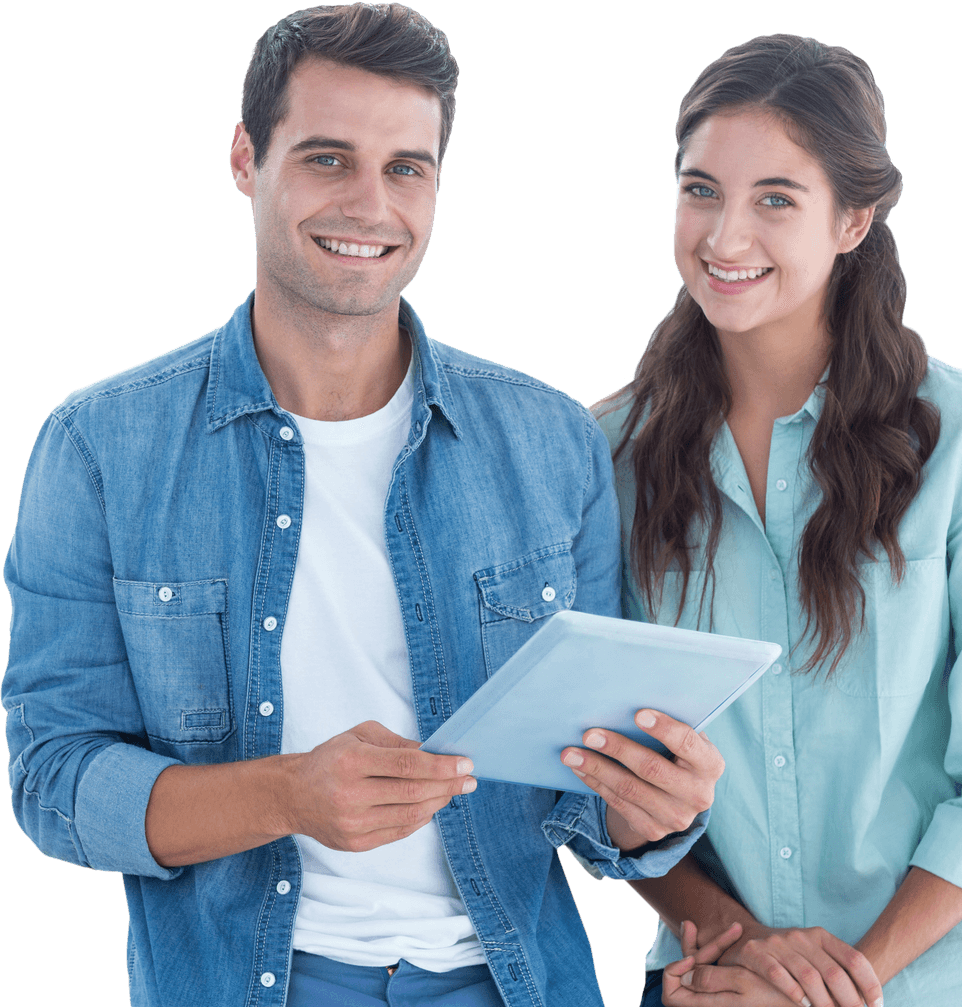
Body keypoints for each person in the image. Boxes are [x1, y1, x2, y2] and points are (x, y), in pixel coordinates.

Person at [1, 5, 724, 1007]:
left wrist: (652, 811)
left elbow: (586, 800)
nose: (370, 205)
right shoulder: (99, 445)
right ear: (246, 159)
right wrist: (286, 794)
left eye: (406, 168)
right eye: (328, 158)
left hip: (511, 982)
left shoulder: (551, 440)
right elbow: (50, 779)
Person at [590, 34, 962, 1007]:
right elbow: (601, 779)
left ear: (853, 220)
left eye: (776, 199)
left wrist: (833, 988)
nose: (725, 236)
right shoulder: (607, 454)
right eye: (699, 190)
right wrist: (751, 953)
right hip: (720, 980)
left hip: (956, 984)